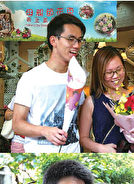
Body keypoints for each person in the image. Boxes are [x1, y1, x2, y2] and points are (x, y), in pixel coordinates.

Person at [12, 13, 86, 153]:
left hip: (73, 152)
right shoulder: (31, 78)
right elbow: (17, 124)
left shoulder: (78, 77)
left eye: (79, 40)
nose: (76, 45)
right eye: (71, 39)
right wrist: (44, 131)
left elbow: (79, 120)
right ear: (53, 40)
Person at [79, 46, 127, 153]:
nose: (116, 76)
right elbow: (83, 138)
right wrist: (100, 148)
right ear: (99, 73)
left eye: (119, 69)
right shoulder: (91, 102)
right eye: (109, 72)